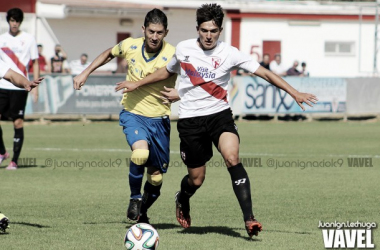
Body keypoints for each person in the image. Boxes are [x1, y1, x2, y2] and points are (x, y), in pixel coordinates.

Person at [115, 3, 318, 238]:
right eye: (204, 30)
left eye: (213, 31)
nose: (208, 35)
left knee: (232, 157)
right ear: (197, 29)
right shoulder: (184, 49)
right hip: (190, 121)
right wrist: (137, 83)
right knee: (196, 179)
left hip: (219, 116)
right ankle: (182, 197)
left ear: (220, 31)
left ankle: (249, 219)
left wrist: (294, 93)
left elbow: (264, 72)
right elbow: (168, 71)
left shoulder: (230, 53)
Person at [73, 9, 178, 224]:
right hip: (133, 113)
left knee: (156, 178)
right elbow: (109, 53)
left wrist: (181, 93)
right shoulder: (130, 45)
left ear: (166, 32)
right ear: (143, 30)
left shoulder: (174, 53)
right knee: (140, 153)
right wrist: (86, 72)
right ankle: (135, 197)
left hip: (160, 119)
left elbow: (188, 76)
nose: (155, 37)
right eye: (151, 31)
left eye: (159, 32)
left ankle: (143, 211)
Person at [0, 8, 41, 170]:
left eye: (17, 20)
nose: (14, 23)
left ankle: (14, 160)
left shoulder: (29, 39)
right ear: (8, 21)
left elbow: (35, 62)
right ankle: (2, 152)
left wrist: (35, 87)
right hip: (2, 85)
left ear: (20, 22)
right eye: (12, 20)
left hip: (19, 87)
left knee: (17, 122)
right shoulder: (1, 39)